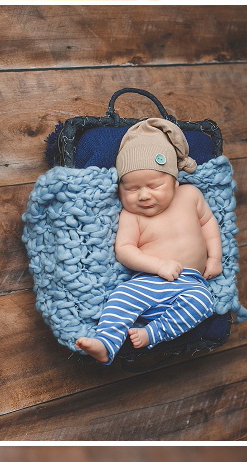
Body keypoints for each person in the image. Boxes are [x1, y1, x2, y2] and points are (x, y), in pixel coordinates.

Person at [76, 118, 222, 363]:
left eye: (155, 185)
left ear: (174, 181)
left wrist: (215, 257)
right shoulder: (131, 215)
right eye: (131, 189)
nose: (143, 196)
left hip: (189, 282)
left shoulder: (190, 195)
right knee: (122, 296)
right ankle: (105, 343)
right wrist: (158, 266)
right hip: (148, 281)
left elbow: (208, 224)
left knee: (203, 302)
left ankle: (152, 332)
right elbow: (124, 250)